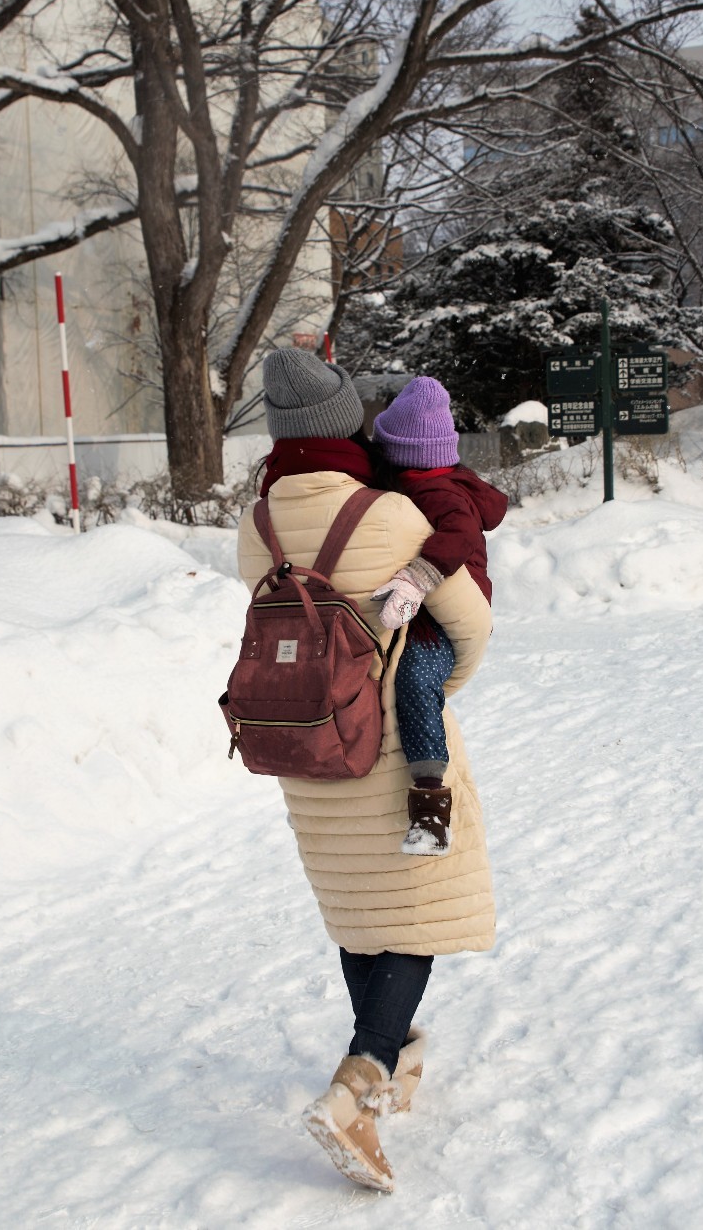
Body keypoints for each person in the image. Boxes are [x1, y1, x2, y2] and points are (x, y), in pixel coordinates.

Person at [238, 348, 496, 1194]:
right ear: (345, 421)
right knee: (416, 915)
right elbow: (470, 625)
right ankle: (361, 1078)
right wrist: (424, 686)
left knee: (360, 910)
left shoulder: (259, 523)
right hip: (389, 749)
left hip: (304, 744)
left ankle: (393, 1058)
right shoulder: (386, 515)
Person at [366, 376, 508, 857]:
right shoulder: (410, 482)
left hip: (442, 617)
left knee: (414, 678)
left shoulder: (440, 492)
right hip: (415, 610)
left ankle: (430, 806)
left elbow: (460, 532)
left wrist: (420, 576)